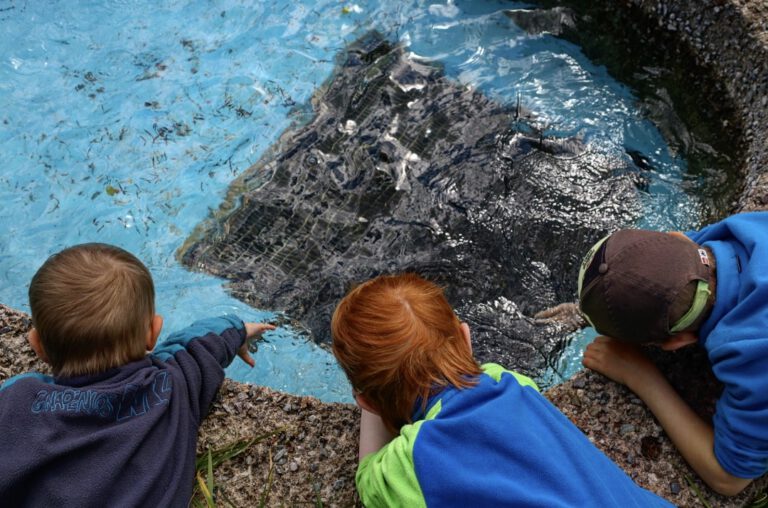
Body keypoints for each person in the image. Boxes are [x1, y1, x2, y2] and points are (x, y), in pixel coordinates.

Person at [331, 272, 672, 507]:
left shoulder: (408, 466)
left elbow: (368, 481)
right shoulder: (507, 382)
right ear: (466, 337)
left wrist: (373, 400)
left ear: (365, 401)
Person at [0, 243, 274, 507]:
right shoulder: (172, 387)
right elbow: (202, 342)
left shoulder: (17, 402)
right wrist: (237, 328)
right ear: (153, 332)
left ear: (36, 345)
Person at [576, 211, 768, 496]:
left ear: (677, 342)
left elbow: (729, 479)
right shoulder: (744, 228)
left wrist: (639, 375)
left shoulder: (752, 353)